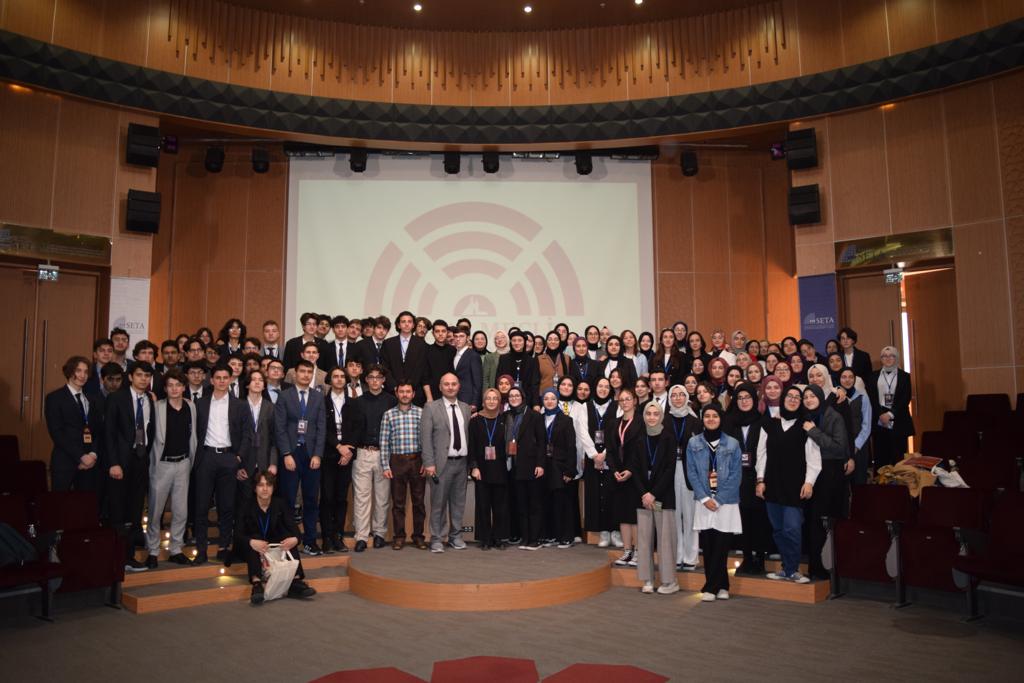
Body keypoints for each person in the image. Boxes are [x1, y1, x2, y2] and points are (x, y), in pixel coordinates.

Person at [756, 386, 822, 584]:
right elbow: (761, 454)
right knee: (778, 530)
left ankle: (793, 569)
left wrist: (809, 482)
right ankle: (786, 568)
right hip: (772, 484)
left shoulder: (806, 425)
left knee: (792, 529)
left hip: (795, 487)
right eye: (789, 396)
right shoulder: (769, 424)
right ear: (783, 399)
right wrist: (760, 480)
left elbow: (814, 458)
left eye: (797, 397)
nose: (793, 400)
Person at [194, 364, 249, 565]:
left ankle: (223, 547)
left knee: (226, 506)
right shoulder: (200, 403)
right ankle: (201, 550)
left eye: (226, 377)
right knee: (201, 506)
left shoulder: (240, 405)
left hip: (228, 458)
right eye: (218, 377)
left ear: (231, 380)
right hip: (206, 457)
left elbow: (247, 434)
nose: (222, 381)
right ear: (211, 380)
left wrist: (238, 457)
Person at [687, 402, 742, 601]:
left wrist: (718, 500)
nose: (711, 419)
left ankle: (711, 587)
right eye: (707, 416)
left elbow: (736, 475)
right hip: (703, 501)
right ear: (703, 419)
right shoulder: (693, 443)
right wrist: (704, 497)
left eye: (715, 416)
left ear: (721, 419)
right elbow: (691, 472)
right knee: (709, 545)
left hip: (725, 503)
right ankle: (721, 585)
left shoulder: (733, 444)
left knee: (721, 545)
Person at [105, 360, 157, 571]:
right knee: (117, 510)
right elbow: (109, 433)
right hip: (120, 462)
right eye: (139, 375)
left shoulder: (150, 399)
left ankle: (129, 556)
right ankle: (116, 559)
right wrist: (113, 463)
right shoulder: (116, 398)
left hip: (140, 460)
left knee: (135, 511)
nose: (143, 379)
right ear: (130, 377)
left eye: (147, 376)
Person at [273, 359, 327, 556]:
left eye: (309, 372)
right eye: (302, 371)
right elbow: (279, 428)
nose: (305, 375)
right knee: (287, 500)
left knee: (311, 500)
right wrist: (286, 453)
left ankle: (310, 541)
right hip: (291, 454)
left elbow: (321, 427)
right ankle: (289, 542)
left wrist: (318, 454)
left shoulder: (318, 397)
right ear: (295, 374)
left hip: (311, 454)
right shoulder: (284, 396)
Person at [237, 471, 316, 605]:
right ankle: (257, 585)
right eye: (261, 485)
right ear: (255, 488)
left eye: (268, 485)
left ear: (273, 488)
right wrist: (251, 542)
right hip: (253, 547)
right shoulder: (246, 505)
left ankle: (295, 582)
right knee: (253, 540)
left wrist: (295, 540)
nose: (265, 489)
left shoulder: (280, 504)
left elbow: (295, 530)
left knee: (288, 539)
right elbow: (238, 535)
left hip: (274, 545)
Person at [145, 369, 197, 568]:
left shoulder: (190, 406)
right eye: (170, 385)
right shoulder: (157, 407)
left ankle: (176, 549)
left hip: (183, 463)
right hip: (162, 464)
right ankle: (152, 550)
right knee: (155, 510)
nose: (174, 389)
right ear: (165, 388)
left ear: (184, 387)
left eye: (178, 385)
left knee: (180, 511)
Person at [344, 364, 396, 552]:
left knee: (382, 497)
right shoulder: (357, 402)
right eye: (371, 377)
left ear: (383, 380)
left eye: (378, 377)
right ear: (366, 380)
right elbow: (351, 428)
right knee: (361, 497)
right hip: (363, 453)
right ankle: (361, 536)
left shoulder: (391, 401)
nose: (375, 381)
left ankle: (380, 533)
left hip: (384, 453)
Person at [802, 383, 851, 580]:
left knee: (826, 521)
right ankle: (814, 566)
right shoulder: (804, 417)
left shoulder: (833, 416)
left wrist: (814, 431)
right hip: (810, 473)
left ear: (820, 397)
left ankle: (828, 568)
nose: (808, 400)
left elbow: (840, 448)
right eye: (806, 397)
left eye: (812, 396)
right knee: (812, 521)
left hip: (830, 474)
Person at [632, 401, 679, 595]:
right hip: (643, 497)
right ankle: (648, 579)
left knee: (665, 539)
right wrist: (644, 493)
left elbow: (670, 469)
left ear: (661, 416)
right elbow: (635, 469)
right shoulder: (639, 438)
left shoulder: (669, 438)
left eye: (655, 414)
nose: (652, 417)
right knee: (644, 539)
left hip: (662, 498)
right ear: (644, 416)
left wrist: (653, 494)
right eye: (648, 414)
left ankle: (669, 581)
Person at [421, 372, 473, 553]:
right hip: (440, 464)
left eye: (454, 384)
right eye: (446, 384)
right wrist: (429, 463)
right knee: (438, 504)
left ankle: (455, 537)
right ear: (440, 387)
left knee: (458, 503)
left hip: (461, 463)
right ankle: (436, 538)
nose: (450, 387)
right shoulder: (431, 408)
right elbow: (425, 438)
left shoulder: (465, 408)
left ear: (459, 386)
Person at [724, 383, 771, 576]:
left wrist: (761, 479)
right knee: (742, 518)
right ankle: (747, 557)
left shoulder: (763, 421)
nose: (744, 401)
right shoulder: (729, 422)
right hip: (737, 478)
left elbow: (766, 452)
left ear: (755, 399)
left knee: (759, 519)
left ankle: (760, 558)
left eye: (748, 397)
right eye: (740, 398)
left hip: (757, 476)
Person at [380, 382, 427, 550]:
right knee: (398, 503)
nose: (405, 394)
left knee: (419, 502)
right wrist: (385, 466)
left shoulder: (422, 413)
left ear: (413, 394)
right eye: (402, 392)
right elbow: (384, 442)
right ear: (396, 393)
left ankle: (418, 536)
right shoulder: (388, 415)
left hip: (417, 461)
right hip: (397, 461)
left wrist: (427, 461)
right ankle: (399, 537)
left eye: (408, 391)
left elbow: (427, 440)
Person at [45, 356, 102, 493]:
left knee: (84, 504)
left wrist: (93, 454)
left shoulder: (92, 399)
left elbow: (98, 431)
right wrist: (81, 456)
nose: (83, 375)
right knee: (60, 503)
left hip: (90, 463)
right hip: (64, 461)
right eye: (78, 371)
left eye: (86, 372)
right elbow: (57, 433)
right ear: (70, 372)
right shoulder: (54, 398)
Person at [506, 386, 546, 550]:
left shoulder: (534, 416)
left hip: (532, 466)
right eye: (511, 396)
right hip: (514, 467)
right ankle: (525, 537)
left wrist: (540, 464)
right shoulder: (507, 416)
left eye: (517, 395)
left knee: (534, 504)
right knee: (521, 505)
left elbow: (542, 442)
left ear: (523, 397)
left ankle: (534, 539)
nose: (514, 398)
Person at [468, 388, 509, 549]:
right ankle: (485, 538)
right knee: (483, 505)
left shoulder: (505, 419)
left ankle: (499, 537)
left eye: (495, 398)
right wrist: (474, 467)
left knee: (501, 506)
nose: (491, 401)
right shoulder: (475, 420)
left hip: (501, 468)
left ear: (499, 401)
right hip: (481, 469)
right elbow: (471, 446)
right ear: (483, 401)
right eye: (488, 398)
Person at [665, 384, 700, 571]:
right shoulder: (664, 419)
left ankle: (691, 557)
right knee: (673, 515)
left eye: (681, 395)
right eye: (674, 395)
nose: (678, 398)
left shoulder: (695, 422)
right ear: (670, 399)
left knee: (690, 516)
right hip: (669, 471)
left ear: (687, 398)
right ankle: (677, 555)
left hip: (689, 472)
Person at [320, 367, 355, 552]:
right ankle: (326, 537)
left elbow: (358, 428)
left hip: (346, 457)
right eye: (335, 376)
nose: (339, 379)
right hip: (328, 455)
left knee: (341, 498)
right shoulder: (322, 402)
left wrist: (348, 451)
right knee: (327, 497)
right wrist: (338, 446)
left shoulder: (353, 403)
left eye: (342, 376)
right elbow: (321, 428)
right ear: (330, 380)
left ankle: (338, 536)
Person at [607, 388, 642, 567]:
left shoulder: (642, 422)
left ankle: (638, 551)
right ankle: (627, 550)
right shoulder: (614, 423)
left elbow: (642, 451)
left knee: (634, 515)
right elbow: (610, 450)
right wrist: (614, 469)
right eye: (622, 400)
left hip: (635, 474)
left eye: (628, 399)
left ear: (635, 401)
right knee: (623, 515)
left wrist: (630, 470)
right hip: (618, 475)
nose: (625, 402)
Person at [539, 387, 577, 548]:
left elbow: (571, 447)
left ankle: (566, 536)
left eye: (553, 399)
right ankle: (551, 535)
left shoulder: (566, 420)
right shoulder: (539, 419)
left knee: (562, 503)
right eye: (546, 399)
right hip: (543, 467)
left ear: (557, 400)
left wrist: (570, 470)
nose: (549, 401)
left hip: (560, 467)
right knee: (546, 502)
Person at [236, 369, 277, 516]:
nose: (258, 382)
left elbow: (274, 438)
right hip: (244, 461)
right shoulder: (238, 406)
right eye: (254, 379)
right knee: (243, 502)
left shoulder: (270, 407)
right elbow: (234, 439)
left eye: (260, 380)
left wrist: (273, 463)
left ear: (264, 385)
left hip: (264, 461)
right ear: (247, 384)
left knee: (264, 502)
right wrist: (237, 466)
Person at [868, 346, 915, 471]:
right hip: (879, 421)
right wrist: (881, 414)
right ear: (881, 359)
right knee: (880, 458)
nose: (888, 358)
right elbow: (872, 398)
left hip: (898, 420)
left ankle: (898, 483)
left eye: (891, 356)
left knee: (898, 459)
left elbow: (905, 398)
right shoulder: (873, 376)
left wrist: (890, 414)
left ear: (896, 358)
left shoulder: (905, 376)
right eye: (884, 356)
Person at [583, 378, 617, 548]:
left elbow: (617, 433)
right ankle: (603, 531)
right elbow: (582, 431)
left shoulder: (617, 406)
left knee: (613, 493)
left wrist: (604, 454)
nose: (603, 389)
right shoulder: (586, 406)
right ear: (595, 388)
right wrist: (594, 455)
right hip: (592, 458)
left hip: (611, 457)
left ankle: (615, 531)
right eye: (600, 386)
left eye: (606, 387)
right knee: (595, 494)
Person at [380, 310, 430, 405]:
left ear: (413, 325)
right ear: (398, 325)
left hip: (415, 392)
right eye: (403, 321)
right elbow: (384, 367)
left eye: (409, 321)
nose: (406, 324)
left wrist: (410, 389)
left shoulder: (422, 344)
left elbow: (422, 369)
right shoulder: (388, 343)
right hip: (392, 392)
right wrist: (395, 387)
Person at [838, 368, 872, 485]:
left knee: (859, 480)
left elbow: (867, 425)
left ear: (855, 379)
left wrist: (856, 445)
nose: (847, 380)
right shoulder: (835, 397)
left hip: (859, 445)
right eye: (844, 377)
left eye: (850, 377)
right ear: (839, 379)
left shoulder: (863, 397)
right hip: (840, 445)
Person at [496, 331, 540, 405]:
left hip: (527, 400)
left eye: (520, 340)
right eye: (514, 340)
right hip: (507, 400)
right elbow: (498, 379)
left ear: (524, 342)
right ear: (510, 342)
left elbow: (534, 383)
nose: (516, 343)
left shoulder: (532, 361)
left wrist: (536, 403)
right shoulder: (503, 359)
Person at [451, 326, 482, 410]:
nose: (458, 339)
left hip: (468, 400)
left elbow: (477, 382)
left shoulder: (473, 355)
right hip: (453, 398)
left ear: (468, 338)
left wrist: (475, 402)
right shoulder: (452, 354)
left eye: (461, 336)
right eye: (456, 336)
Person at [425, 319, 456, 402]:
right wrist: (429, 397)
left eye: (443, 331)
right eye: (437, 331)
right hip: (433, 395)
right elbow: (425, 377)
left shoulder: (453, 350)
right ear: (433, 333)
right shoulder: (427, 351)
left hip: (451, 394)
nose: (440, 334)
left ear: (447, 333)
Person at [537, 331, 571, 397]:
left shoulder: (567, 358)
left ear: (559, 342)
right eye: (550, 339)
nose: (553, 342)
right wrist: (536, 401)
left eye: (556, 339)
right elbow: (535, 383)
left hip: (562, 397)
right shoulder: (539, 359)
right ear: (546, 342)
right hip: (544, 398)